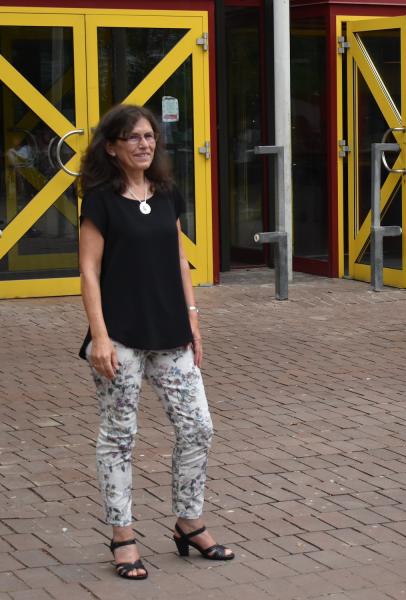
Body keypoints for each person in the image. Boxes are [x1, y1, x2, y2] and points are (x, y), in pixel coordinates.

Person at [78, 105, 234, 580]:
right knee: (119, 436)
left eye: (149, 136)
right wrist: (99, 336)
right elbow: (88, 271)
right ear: (112, 147)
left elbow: (178, 258)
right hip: (120, 336)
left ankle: (188, 522)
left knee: (198, 427)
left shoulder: (167, 194)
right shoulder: (100, 201)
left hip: (171, 332)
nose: (144, 144)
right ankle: (122, 535)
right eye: (133, 137)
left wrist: (194, 321)